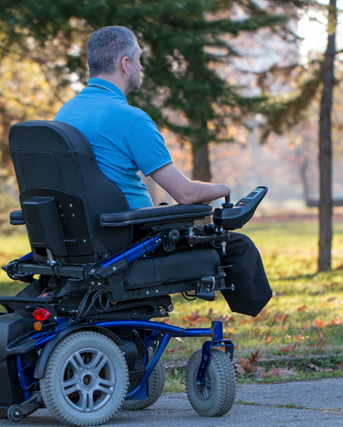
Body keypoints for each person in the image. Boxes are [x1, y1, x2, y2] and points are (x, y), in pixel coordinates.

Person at [54, 26, 271, 317]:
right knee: (237, 247)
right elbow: (186, 193)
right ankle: (252, 316)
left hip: (81, 239)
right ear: (125, 63)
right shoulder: (131, 120)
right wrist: (225, 189)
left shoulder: (64, 115)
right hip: (132, 241)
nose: (142, 67)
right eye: (139, 59)